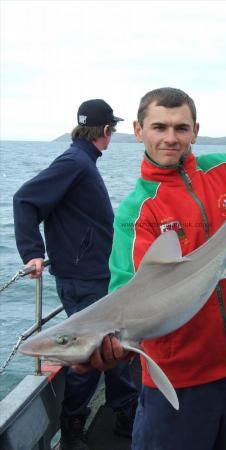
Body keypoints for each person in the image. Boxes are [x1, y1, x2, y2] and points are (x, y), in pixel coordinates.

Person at [81, 87, 226, 450]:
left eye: (181, 128)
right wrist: (109, 347)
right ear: (139, 130)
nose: (171, 138)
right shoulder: (137, 210)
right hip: (178, 378)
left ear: (196, 130)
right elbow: (126, 295)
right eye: (159, 127)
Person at [13, 99, 139, 450]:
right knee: (90, 354)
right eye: (112, 129)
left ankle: (125, 412)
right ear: (106, 131)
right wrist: (33, 253)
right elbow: (25, 200)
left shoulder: (83, 160)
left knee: (112, 349)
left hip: (96, 274)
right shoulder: (74, 162)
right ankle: (72, 428)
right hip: (83, 278)